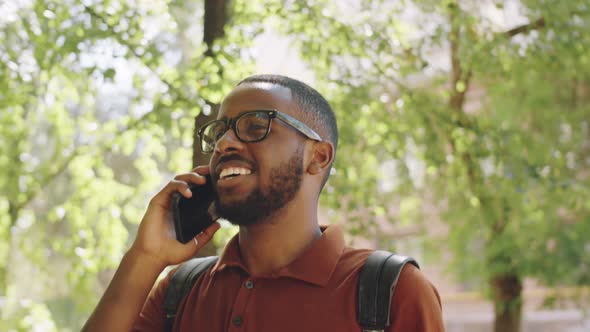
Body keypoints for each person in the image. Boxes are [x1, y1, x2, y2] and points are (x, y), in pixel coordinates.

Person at [82, 74, 445, 331]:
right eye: (220, 131)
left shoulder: (393, 292)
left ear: (317, 157)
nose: (224, 144)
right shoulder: (181, 291)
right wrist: (145, 259)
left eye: (255, 126)